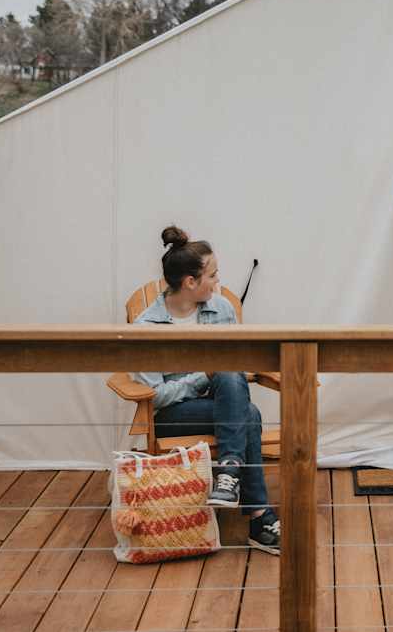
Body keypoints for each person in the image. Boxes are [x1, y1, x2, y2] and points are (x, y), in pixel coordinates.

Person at [133, 225, 280, 555]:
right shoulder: (147, 326)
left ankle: (230, 474)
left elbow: (236, 368)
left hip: (224, 404)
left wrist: (218, 374)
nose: (218, 282)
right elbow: (156, 395)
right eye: (212, 276)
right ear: (190, 283)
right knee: (249, 414)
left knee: (232, 376)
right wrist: (203, 376)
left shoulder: (222, 310)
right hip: (175, 416)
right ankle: (259, 518)